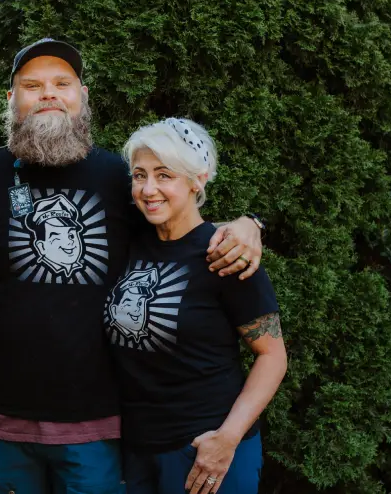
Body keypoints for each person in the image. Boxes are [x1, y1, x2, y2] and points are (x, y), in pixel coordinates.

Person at [0, 38, 266, 493]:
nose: (48, 93)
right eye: (32, 85)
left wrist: (249, 224)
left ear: (83, 96)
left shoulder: (121, 179)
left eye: (61, 83)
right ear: (12, 100)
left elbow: (182, 228)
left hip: (98, 426)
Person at [108, 118, 287, 494]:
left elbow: (273, 356)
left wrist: (227, 438)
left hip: (206, 450)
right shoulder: (131, 244)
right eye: (139, 175)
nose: (149, 188)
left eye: (164, 175)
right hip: (138, 451)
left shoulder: (225, 254)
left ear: (197, 180)